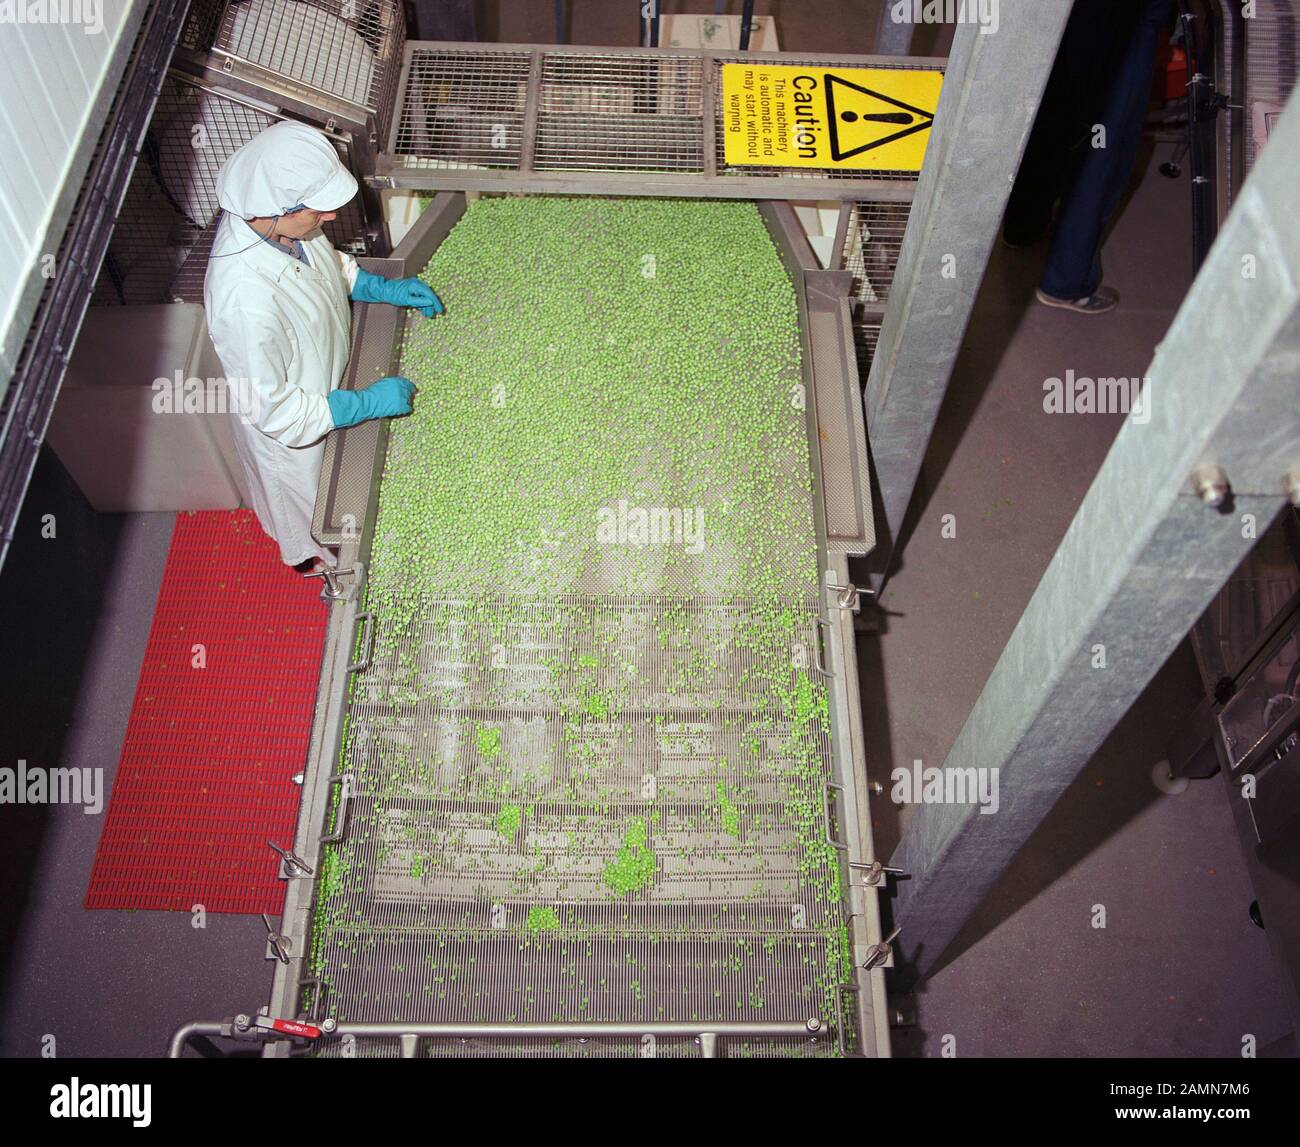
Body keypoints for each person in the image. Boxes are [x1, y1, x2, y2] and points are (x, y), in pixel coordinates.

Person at [203, 120, 442, 569]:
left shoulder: (283, 227)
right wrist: (364, 404)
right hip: (297, 436)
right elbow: (276, 412)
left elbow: (322, 260)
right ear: (278, 208)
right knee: (326, 520)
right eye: (318, 210)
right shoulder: (243, 301)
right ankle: (328, 569)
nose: (329, 218)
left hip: (327, 374)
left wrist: (374, 286)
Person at [1003, 0, 1173, 314]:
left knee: (1057, 98)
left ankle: (1023, 224)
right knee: (1107, 134)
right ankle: (1068, 282)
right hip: (1127, 16)